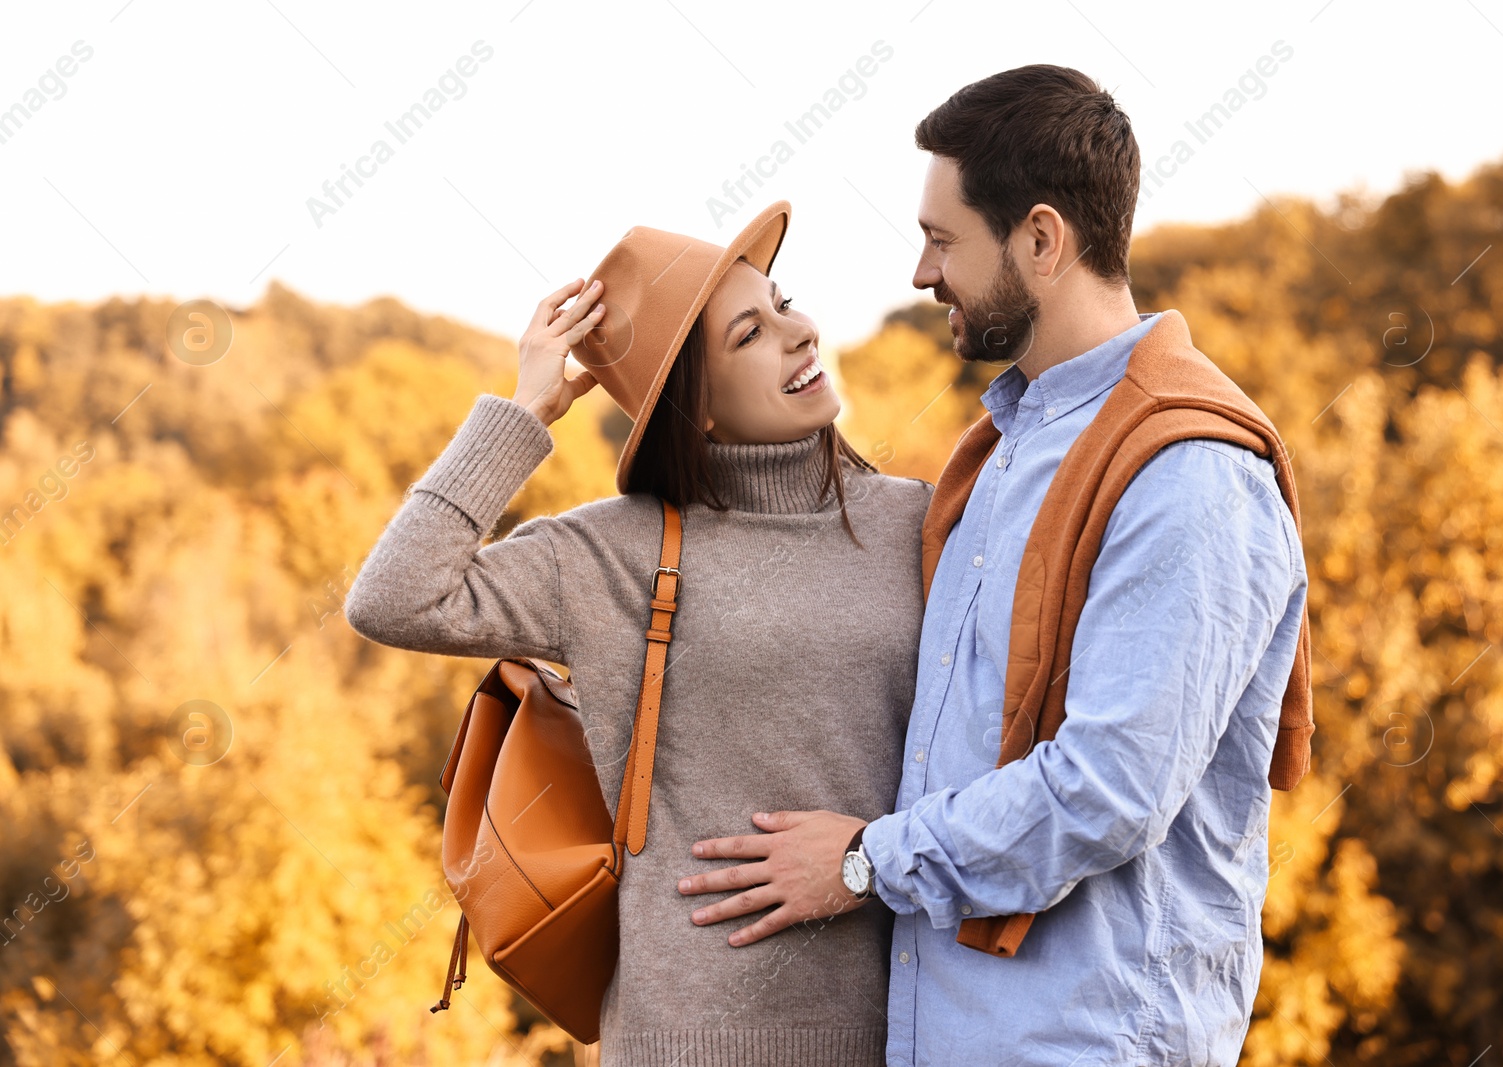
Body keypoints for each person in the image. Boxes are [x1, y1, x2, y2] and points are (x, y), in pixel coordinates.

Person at [675, 65, 1314, 1065]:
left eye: (942, 241)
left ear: (1042, 240)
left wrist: (858, 860)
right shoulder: (1002, 455)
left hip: (1089, 1041)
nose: (922, 274)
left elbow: (1108, 787)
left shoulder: (1187, 477)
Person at [343, 201, 934, 1066]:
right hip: (686, 1042)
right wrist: (525, 412)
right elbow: (394, 597)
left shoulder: (921, 521)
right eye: (750, 334)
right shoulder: (611, 552)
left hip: (907, 1032)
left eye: (784, 303)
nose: (798, 333)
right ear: (693, 408)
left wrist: (863, 860)